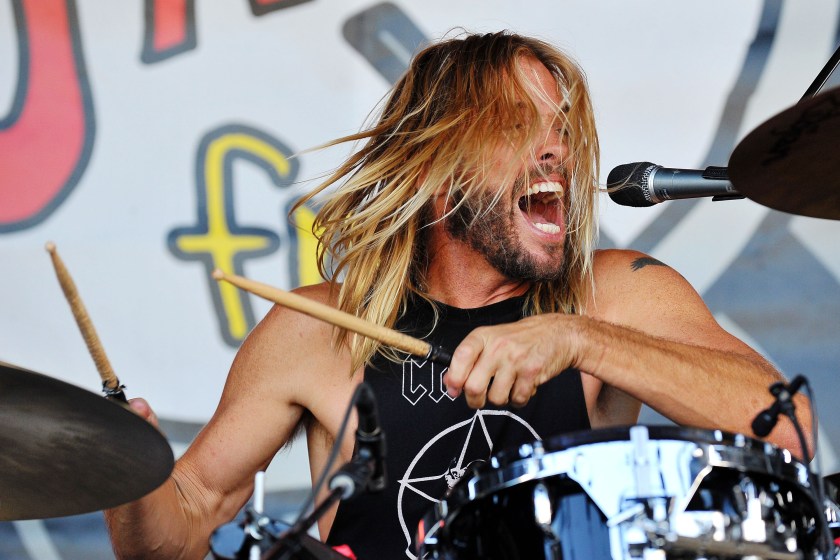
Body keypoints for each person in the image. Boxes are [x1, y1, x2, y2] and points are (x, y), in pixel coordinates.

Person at [105, 31, 811, 560]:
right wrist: (119, 465)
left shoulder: (616, 294)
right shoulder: (317, 328)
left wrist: (581, 340)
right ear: (439, 166)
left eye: (562, 128)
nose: (556, 150)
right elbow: (184, 520)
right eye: (517, 126)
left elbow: (786, 429)